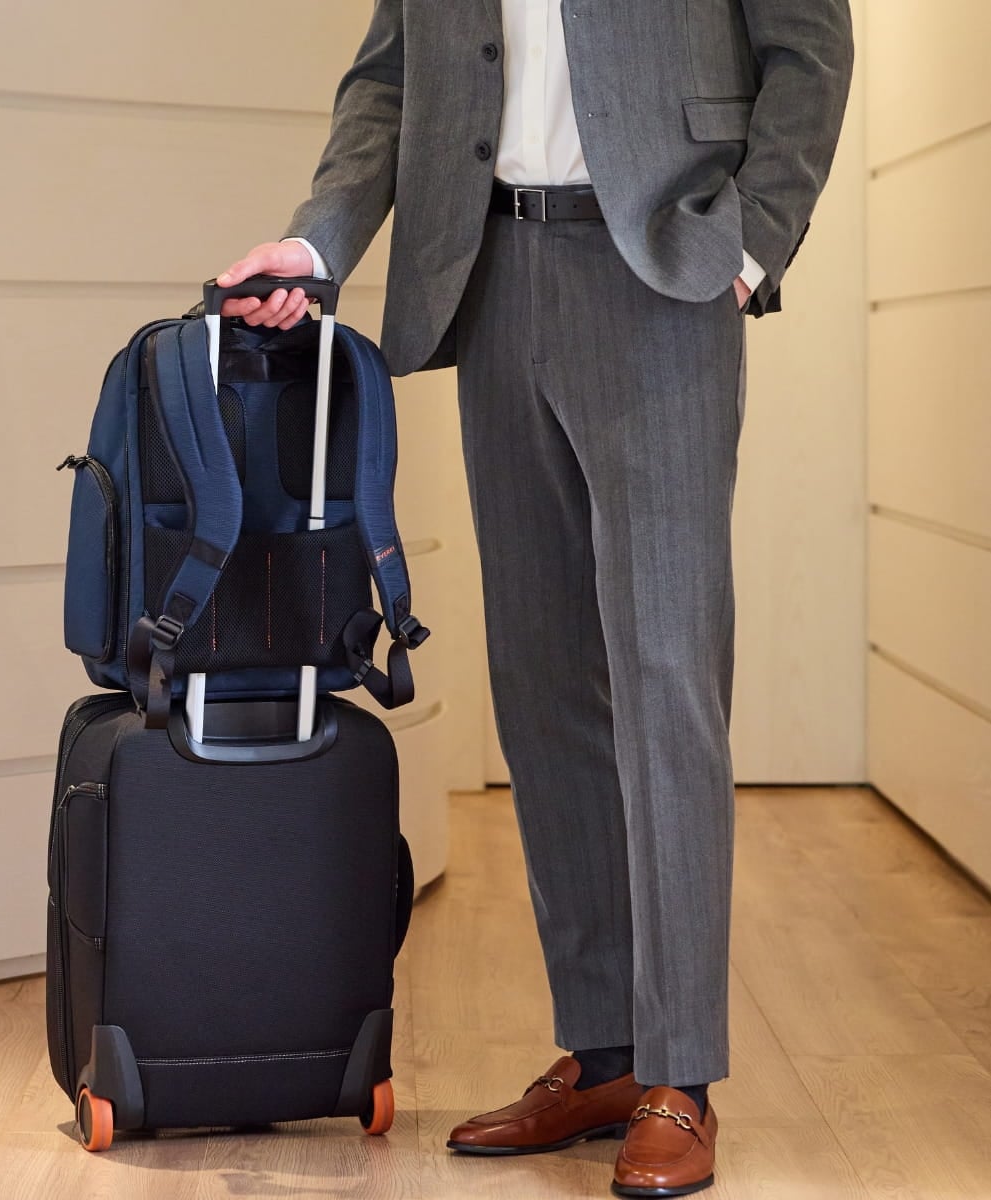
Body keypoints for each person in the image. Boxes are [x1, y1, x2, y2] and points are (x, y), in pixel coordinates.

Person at [216, 2, 853, 1195]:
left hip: (661, 279)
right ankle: (607, 1050)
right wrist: (318, 243)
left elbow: (809, 47)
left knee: (666, 676)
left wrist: (754, 236)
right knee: (545, 677)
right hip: (492, 277)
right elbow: (389, 84)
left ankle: (680, 1073)